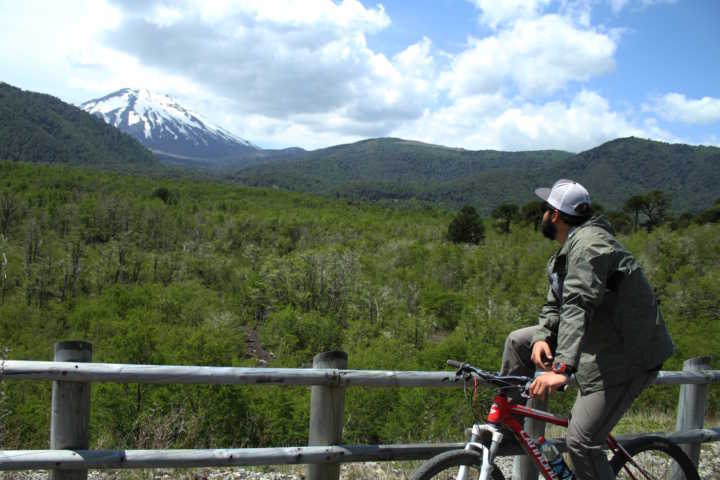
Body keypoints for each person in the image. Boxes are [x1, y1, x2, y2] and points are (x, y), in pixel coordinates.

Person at [500, 179, 674, 480]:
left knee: (581, 442)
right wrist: (541, 336)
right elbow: (556, 306)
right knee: (519, 342)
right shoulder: (566, 253)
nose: (540, 215)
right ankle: (511, 428)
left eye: (545, 209)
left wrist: (563, 368)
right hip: (599, 333)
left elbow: (578, 305)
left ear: (555, 215)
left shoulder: (590, 246)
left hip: (626, 352)